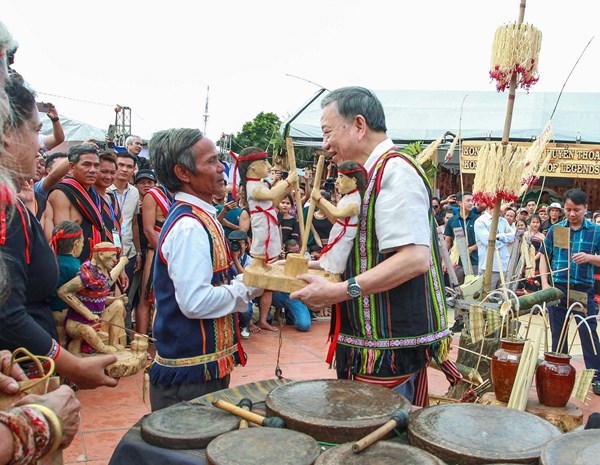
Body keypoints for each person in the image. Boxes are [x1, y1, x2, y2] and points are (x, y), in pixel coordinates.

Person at [290, 87, 454, 405]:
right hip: (372, 349)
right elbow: (366, 251)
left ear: (359, 125)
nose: (324, 146)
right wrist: (305, 266)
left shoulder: (395, 172)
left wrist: (338, 291)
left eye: (327, 133)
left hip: (389, 354)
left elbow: (413, 259)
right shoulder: (371, 175)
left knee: (380, 444)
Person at [0, 73, 117, 389]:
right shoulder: (6, 209)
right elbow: (8, 315)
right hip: (21, 371)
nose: (41, 145)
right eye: (36, 131)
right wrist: (75, 366)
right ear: (7, 134)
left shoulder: (13, 204)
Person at [148, 128, 260, 411]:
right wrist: (247, 287)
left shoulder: (200, 217)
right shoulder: (189, 226)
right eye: (211, 161)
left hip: (201, 370)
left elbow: (217, 280)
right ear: (183, 173)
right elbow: (195, 303)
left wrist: (254, 279)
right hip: (189, 379)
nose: (222, 167)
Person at [539, 189, 600, 395]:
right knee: (558, 333)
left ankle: (595, 376)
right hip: (558, 290)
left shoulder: (595, 231)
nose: (572, 214)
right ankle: (559, 372)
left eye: (576, 210)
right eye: (568, 209)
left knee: (588, 333)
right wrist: (545, 284)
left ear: (585, 209)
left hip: (582, 289)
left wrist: (589, 258)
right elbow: (544, 257)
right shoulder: (556, 229)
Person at [47, 144, 106, 264]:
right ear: (72, 167)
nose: (93, 170)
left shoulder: (94, 195)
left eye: (96, 165)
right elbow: (62, 243)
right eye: (86, 164)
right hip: (74, 271)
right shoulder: (61, 194)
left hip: (94, 267)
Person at [474, 205, 515, 290]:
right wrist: (504, 240)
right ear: (490, 207)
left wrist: (499, 236)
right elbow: (489, 242)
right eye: (501, 208)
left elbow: (512, 237)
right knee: (488, 298)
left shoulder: (503, 221)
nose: (503, 211)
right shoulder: (480, 221)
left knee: (503, 298)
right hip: (489, 267)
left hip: (504, 266)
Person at [444, 191, 479, 283]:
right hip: (457, 261)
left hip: (474, 261)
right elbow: (447, 242)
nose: (471, 203)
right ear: (459, 203)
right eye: (468, 200)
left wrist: (472, 248)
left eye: (472, 201)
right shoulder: (452, 221)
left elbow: (484, 241)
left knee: (472, 290)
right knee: (457, 289)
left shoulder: (478, 220)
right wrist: (444, 260)